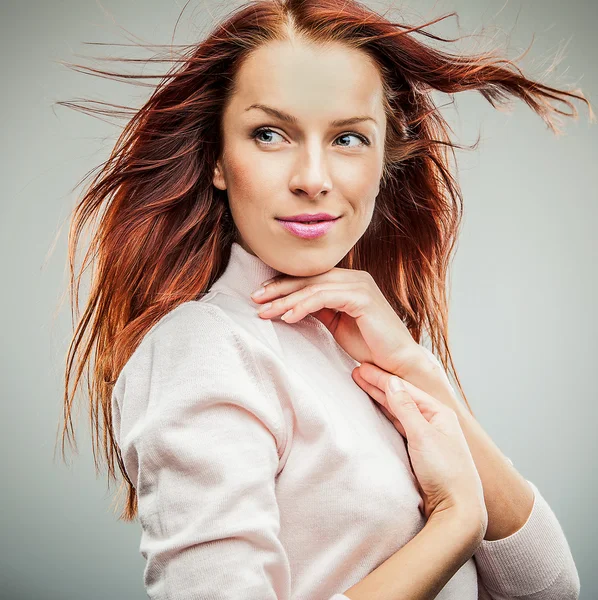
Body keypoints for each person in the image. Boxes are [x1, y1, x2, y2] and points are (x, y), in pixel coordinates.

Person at [59, 0, 591, 598]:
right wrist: (453, 524)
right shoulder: (204, 348)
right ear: (216, 159)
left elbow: (551, 589)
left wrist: (414, 368)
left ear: (383, 158)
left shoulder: (354, 346)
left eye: (347, 138)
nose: (313, 176)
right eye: (270, 133)